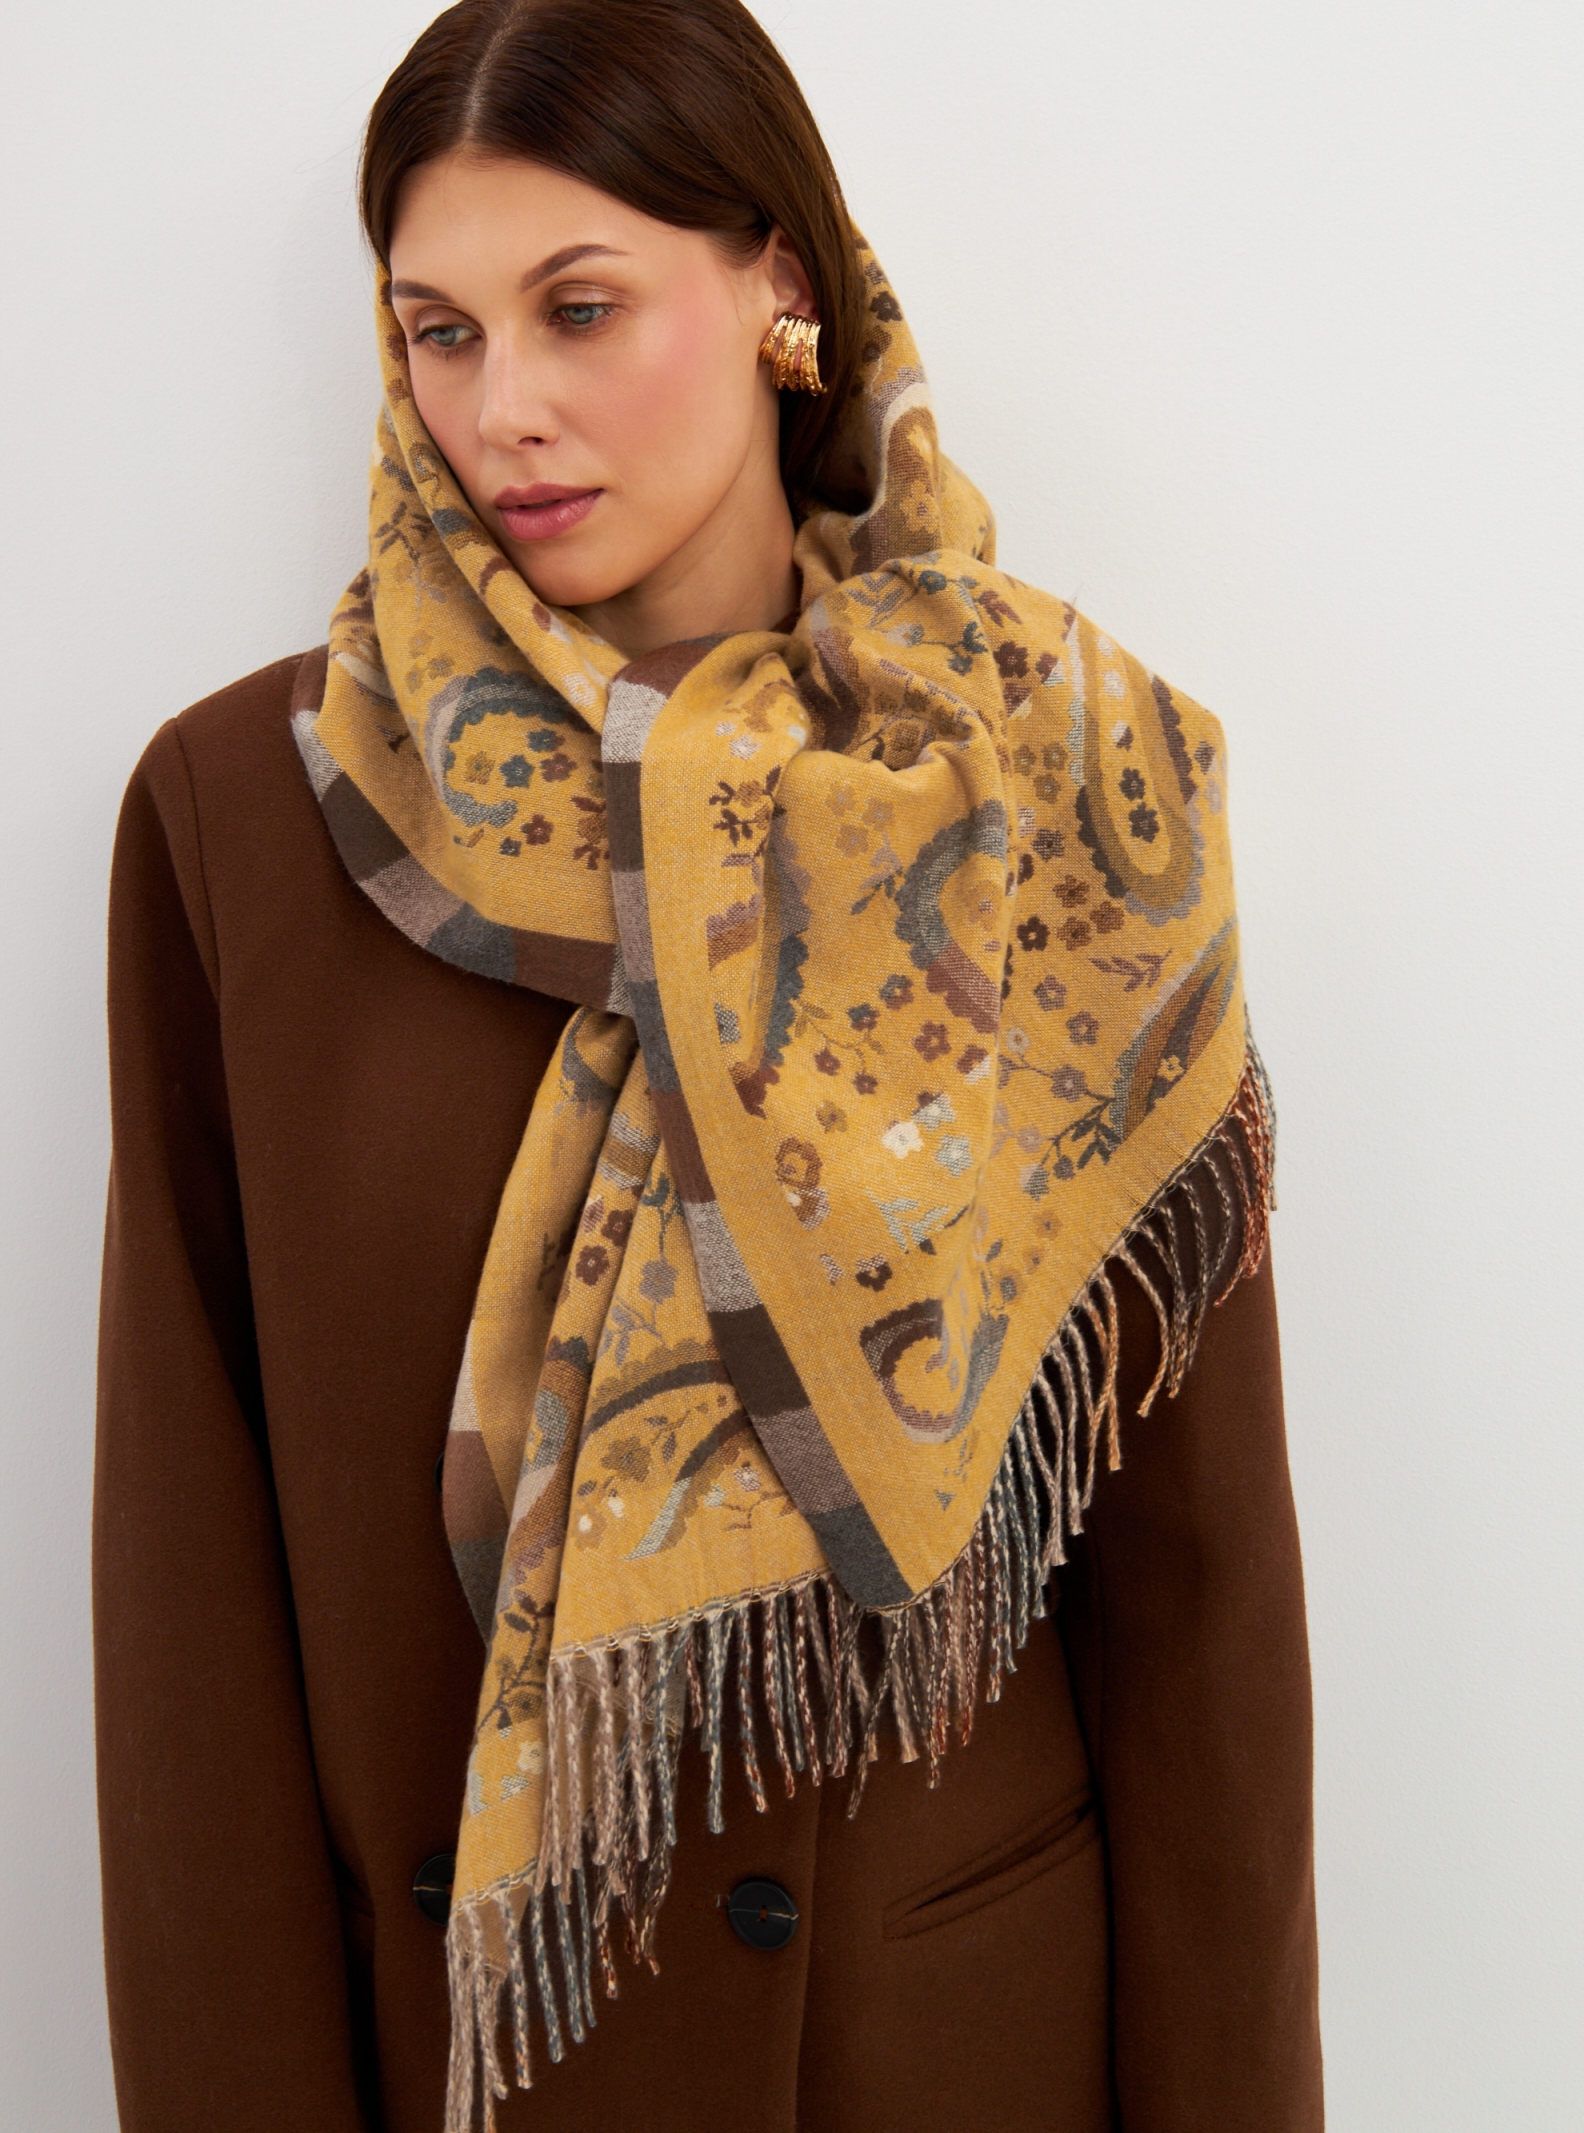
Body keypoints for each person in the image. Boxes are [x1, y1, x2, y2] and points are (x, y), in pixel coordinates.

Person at [94, 2, 1322, 2127]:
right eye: (439, 332)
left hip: (946, 2062)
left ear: (779, 288)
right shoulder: (250, 816)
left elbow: (1197, 1604)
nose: (502, 408)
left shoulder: (1039, 775)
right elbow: (189, 1615)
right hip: (470, 2057)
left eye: (578, 309)